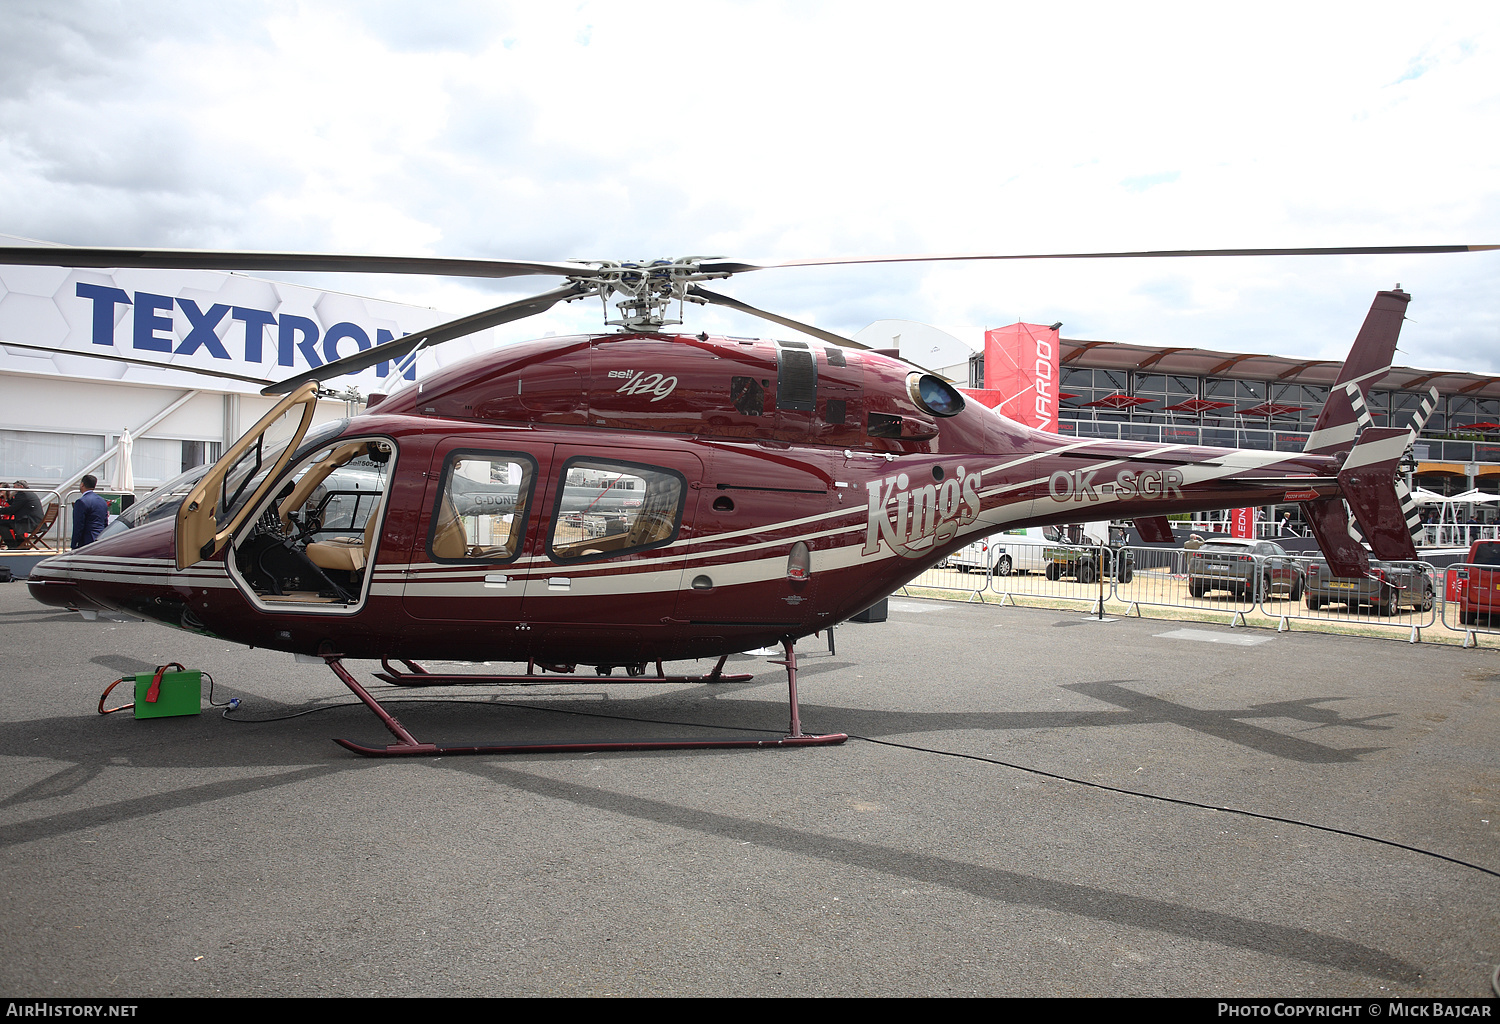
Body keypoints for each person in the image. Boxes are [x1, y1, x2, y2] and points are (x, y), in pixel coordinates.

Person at [72, 474, 109, 549]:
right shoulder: (102, 501)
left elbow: (78, 525)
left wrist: (74, 544)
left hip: (86, 540)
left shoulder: (81, 502)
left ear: (82, 484)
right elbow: (105, 522)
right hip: (100, 538)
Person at [5, 480, 44, 548]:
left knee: (2, 524)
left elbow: (12, 509)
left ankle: (12, 546)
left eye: (14, 487)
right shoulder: (29, 493)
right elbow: (14, 505)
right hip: (36, 523)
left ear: (21, 487)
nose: (13, 489)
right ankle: (19, 545)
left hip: (29, 523)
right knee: (8, 523)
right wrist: (7, 497)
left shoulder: (22, 494)